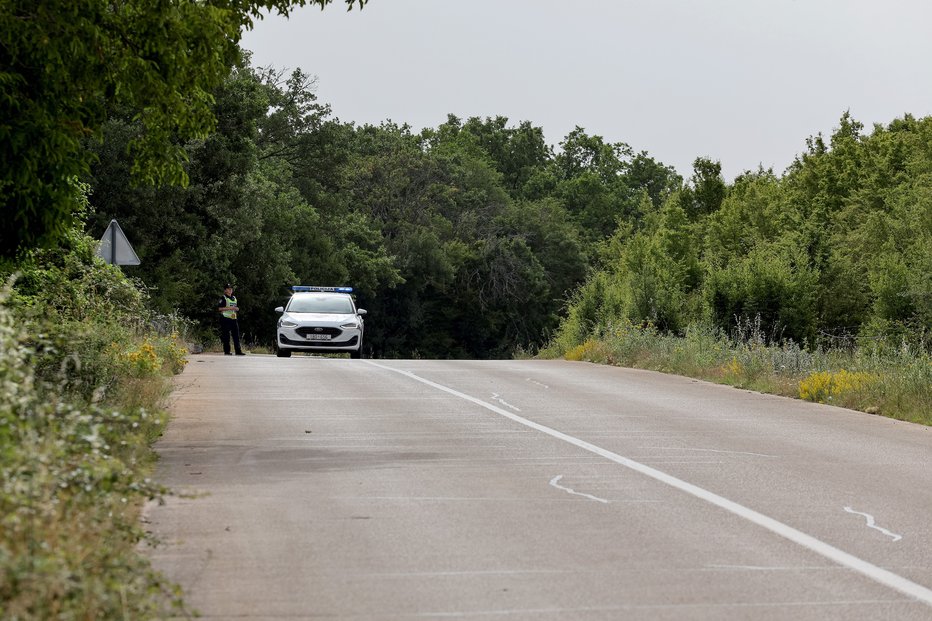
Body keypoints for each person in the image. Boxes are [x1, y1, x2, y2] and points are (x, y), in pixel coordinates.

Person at [218, 284, 245, 355]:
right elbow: (220, 308)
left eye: (231, 288)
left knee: (236, 335)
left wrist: (236, 309)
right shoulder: (223, 298)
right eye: (228, 288)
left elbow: (234, 307)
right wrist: (230, 308)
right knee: (226, 336)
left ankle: (238, 351)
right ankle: (227, 351)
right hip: (225, 318)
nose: (230, 290)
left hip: (233, 318)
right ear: (225, 290)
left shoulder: (234, 298)